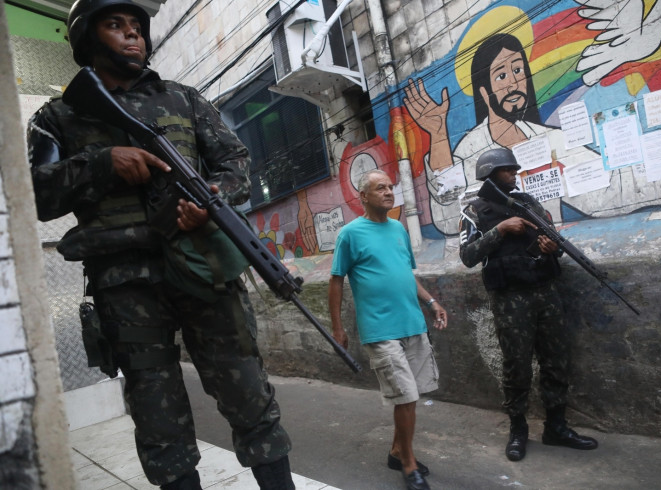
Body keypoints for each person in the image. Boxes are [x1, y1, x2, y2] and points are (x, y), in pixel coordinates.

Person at [27, 1, 293, 488]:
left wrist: (210, 203)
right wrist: (103, 162)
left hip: (202, 262)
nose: (133, 36)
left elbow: (235, 163)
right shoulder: (57, 115)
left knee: (249, 395)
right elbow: (33, 194)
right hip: (125, 282)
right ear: (88, 38)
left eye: (137, 27)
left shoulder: (184, 99)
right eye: (115, 26)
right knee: (157, 416)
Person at [404, 33, 661, 233]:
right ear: (484, 91)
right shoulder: (471, 150)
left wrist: (658, 156)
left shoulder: (547, 137)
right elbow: (451, 220)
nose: (514, 83)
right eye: (501, 75)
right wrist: (438, 138)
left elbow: (609, 189)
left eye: (518, 71)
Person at [458, 148, 598, 462]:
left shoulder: (528, 203)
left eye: (514, 169)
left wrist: (551, 249)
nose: (514, 174)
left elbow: (554, 242)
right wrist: (500, 230)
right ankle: (518, 429)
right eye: (508, 169)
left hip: (546, 290)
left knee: (556, 360)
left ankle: (556, 427)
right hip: (510, 299)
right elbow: (467, 257)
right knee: (517, 366)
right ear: (491, 173)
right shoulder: (474, 210)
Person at [328, 169, 448, 490]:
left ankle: (398, 451)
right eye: (380, 188)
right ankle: (408, 465)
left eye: (391, 187)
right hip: (380, 330)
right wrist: (337, 327)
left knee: (409, 396)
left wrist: (431, 302)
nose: (389, 192)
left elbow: (406, 274)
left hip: (412, 323)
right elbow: (336, 280)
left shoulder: (398, 229)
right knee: (405, 396)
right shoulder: (350, 235)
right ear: (363, 196)